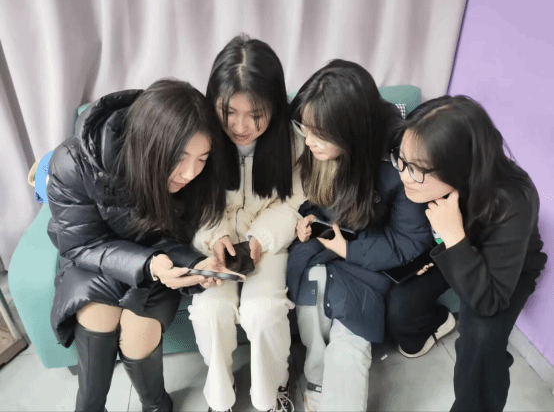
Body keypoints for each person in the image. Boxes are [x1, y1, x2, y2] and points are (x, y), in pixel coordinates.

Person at [46, 79, 236, 412]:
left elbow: (181, 235)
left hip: (159, 259)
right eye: (179, 158)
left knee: (138, 334)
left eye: (201, 159)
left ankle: (157, 405)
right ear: (149, 144)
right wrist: (148, 265)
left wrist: (195, 263)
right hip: (93, 256)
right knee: (98, 319)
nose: (190, 173)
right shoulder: (73, 162)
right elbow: (81, 244)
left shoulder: (200, 178)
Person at [286, 60, 434, 412]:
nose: (309, 142)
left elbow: (411, 241)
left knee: (350, 336)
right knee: (311, 295)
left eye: (319, 135)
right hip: (327, 249)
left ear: (351, 131)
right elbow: (314, 199)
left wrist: (349, 249)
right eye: (304, 129)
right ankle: (317, 380)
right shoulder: (323, 145)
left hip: (370, 257)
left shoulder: (400, 161)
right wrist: (308, 219)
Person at [387, 95, 548, 411]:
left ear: (459, 167)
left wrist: (453, 237)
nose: (403, 175)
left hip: (502, 272)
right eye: (401, 160)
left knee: (480, 343)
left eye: (416, 168)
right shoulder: (425, 181)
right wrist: (443, 245)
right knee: (402, 305)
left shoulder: (513, 201)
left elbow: (490, 300)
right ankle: (441, 322)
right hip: (451, 246)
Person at [188, 35, 305, 412]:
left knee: (264, 312)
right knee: (210, 312)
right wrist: (215, 236)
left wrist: (260, 238)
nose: (240, 127)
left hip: (267, 245)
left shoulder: (294, 142)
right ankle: (219, 397)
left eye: (255, 114)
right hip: (214, 247)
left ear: (274, 106)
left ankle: (273, 392)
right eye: (229, 112)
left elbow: (294, 204)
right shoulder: (199, 138)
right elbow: (189, 200)